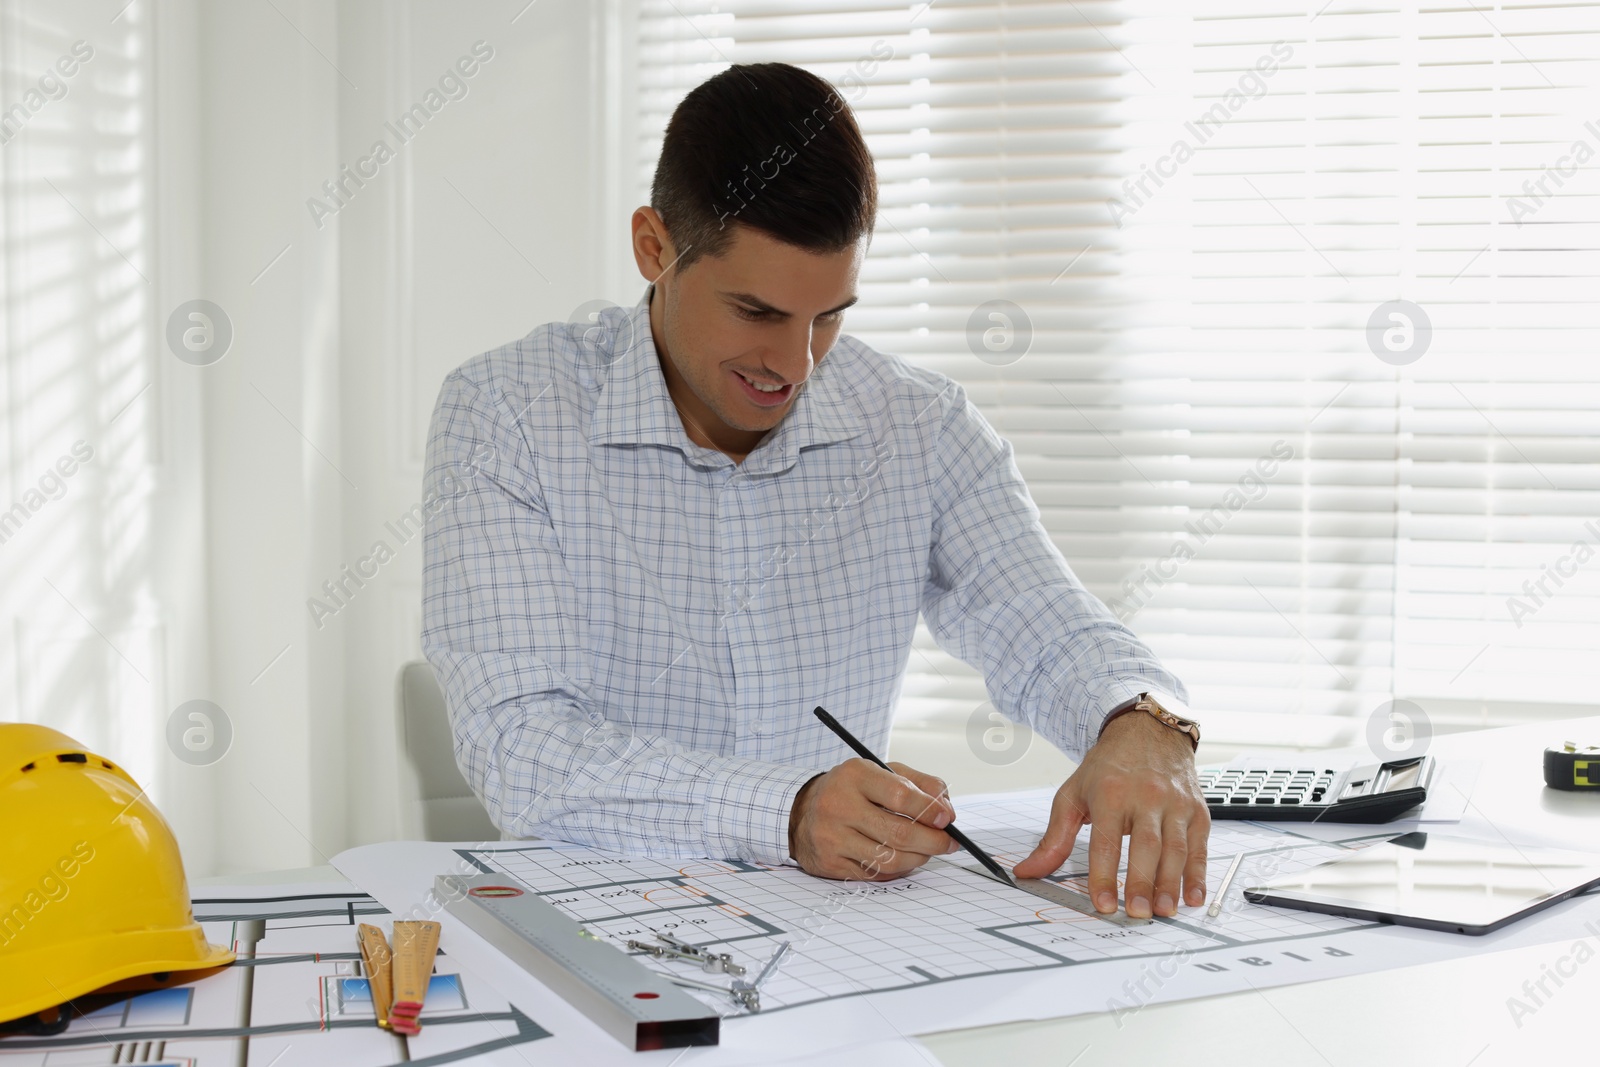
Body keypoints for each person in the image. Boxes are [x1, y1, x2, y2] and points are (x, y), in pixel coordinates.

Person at [422, 62, 1209, 919]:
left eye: (829, 315)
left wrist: (1139, 719)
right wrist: (787, 810)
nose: (794, 366)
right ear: (654, 247)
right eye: (756, 312)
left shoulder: (920, 425)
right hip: (589, 924)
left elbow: (1046, 622)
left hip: (838, 940)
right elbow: (519, 745)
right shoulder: (506, 413)